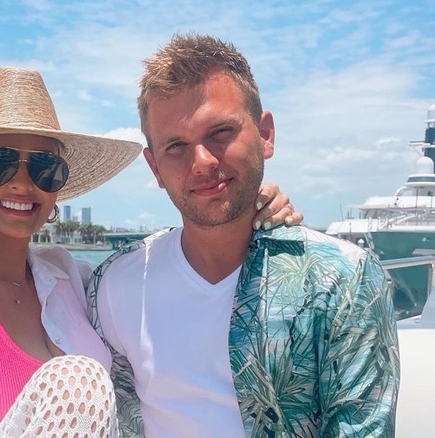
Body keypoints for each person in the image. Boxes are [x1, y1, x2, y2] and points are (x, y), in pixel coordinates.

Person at [0, 67, 301, 437]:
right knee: (78, 381)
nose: (22, 183)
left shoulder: (75, 283)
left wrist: (248, 209)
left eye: (44, 167)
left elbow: (167, 273)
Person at [87, 33, 400, 437]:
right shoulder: (113, 283)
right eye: (176, 145)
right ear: (154, 167)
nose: (201, 161)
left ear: (265, 134)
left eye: (220, 132)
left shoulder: (342, 280)